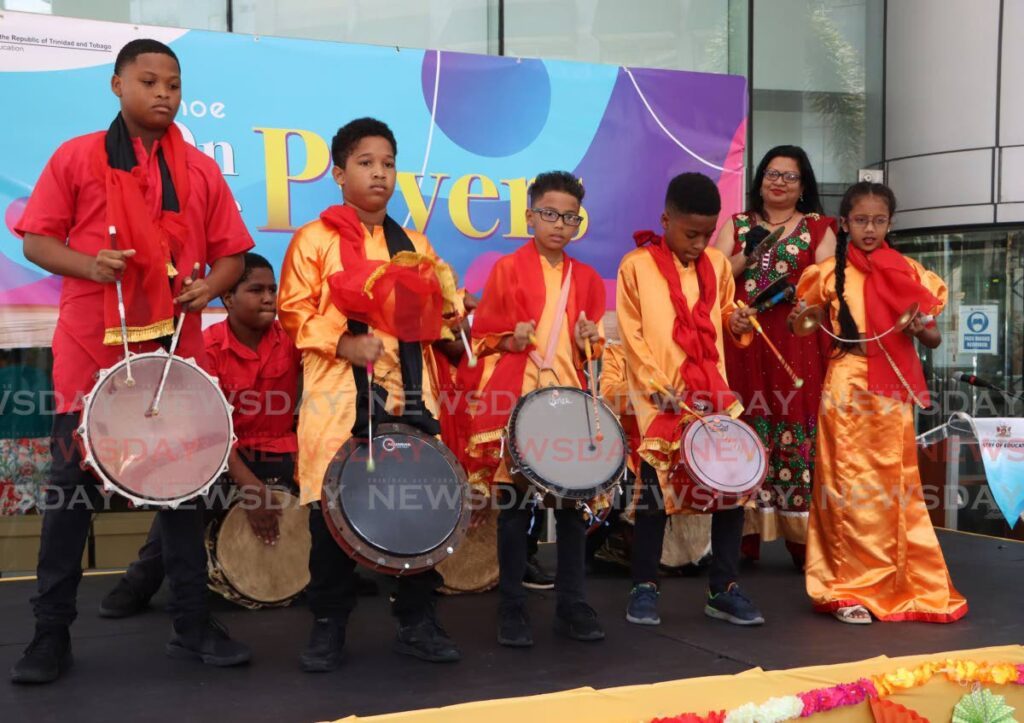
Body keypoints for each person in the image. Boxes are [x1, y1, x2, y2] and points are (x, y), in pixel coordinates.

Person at [11, 39, 254, 684]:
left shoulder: (200, 170)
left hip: (175, 356)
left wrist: (212, 286)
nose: (163, 94)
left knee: (183, 496)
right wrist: (90, 265)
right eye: (148, 81)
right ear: (116, 85)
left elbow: (232, 253)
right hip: (92, 355)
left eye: (172, 83)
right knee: (70, 495)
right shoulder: (78, 156)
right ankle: (49, 635)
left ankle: (192, 625)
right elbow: (37, 240)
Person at [278, 117, 461, 672]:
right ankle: (328, 625)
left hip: (408, 395)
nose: (379, 174)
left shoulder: (416, 244)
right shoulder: (314, 240)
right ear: (338, 173)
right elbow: (292, 313)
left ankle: (416, 621)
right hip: (338, 398)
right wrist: (342, 343)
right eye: (365, 163)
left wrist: (455, 319)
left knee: (417, 503)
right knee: (333, 512)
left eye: (387, 164)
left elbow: (437, 322)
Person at [795, 181, 967, 624]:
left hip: (890, 392)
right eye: (860, 220)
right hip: (847, 385)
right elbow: (804, 322)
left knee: (893, 488)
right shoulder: (826, 274)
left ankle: (894, 580)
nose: (869, 229)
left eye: (878, 220)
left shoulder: (912, 272)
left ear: (890, 222)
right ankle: (845, 588)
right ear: (845, 223)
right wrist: (799, 319)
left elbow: (932, 336)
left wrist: (917, 329)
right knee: (845, 487)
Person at [98, 252, 301, 617]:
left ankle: (331, 571)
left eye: (273, 289)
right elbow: (207, 432)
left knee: (324, 494)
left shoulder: (293, 340)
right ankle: (141, 580)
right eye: (256, 290)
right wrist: (250, 486)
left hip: (279, 452)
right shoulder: (205, 349)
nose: (269, 298)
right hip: (217, 457)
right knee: (184, 502)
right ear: (228, 298)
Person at [616, 172, 764, 627]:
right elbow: (632, 335)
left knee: (731, 485)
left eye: (706, 233)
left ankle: (723, 587)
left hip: (711, 388)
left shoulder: (719, 265)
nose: (700, 243)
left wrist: (736, 325)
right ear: (666, 220)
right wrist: (656, 385)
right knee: (656, 491)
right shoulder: (635, 266)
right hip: (662, 395)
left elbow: (720, 313)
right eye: (690, 233)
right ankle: (644, 585)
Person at [467, 171, 606, 647]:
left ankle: (572, 604)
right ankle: (511, 607)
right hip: (517, 401)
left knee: (570, 509)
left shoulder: (586, 279)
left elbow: (591, 349)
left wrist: (592, 341)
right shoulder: (507, 269)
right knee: (512, 507)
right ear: (530, 216)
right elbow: (483, 338)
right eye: (550, 214)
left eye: (570, 217)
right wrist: (513, 339)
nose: (559, 225)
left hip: (565, 399)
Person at [711, 146, 836, 568]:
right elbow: (713, 277)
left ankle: (802, 541)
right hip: (745, 340)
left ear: (804, 187)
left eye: (789, 176)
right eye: (771, 173)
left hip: (796, 345)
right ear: (760, 179)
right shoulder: (739, 224)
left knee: (795, 426)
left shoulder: (818, 228)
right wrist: (751, 254)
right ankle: (741, 539)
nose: (778, 182)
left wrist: (811, 307)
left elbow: (829, 286)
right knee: (745, 426)